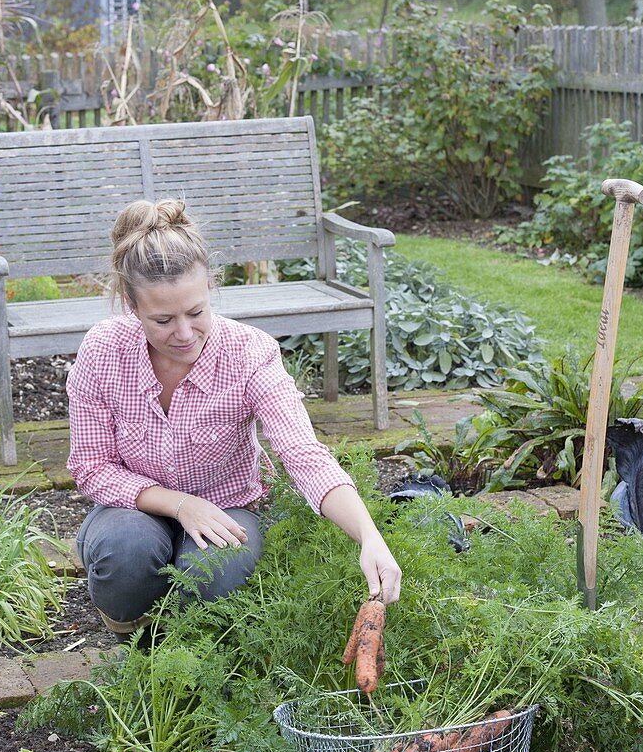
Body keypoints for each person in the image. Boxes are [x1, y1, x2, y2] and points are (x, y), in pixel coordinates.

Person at [68, 198, 401, 639]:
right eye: (163, 319)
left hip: (227, 506)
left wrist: (369, 536)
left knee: (215, 574)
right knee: (124, 553)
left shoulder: (250, 354)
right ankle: (135, 636)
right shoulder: (104, 350)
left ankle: (191, 642)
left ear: (211, 289)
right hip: (131, 510)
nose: (184, 334)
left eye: (196, 312)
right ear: (131, 304)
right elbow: (91, 467)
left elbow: (302, 454)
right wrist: (182, 505)